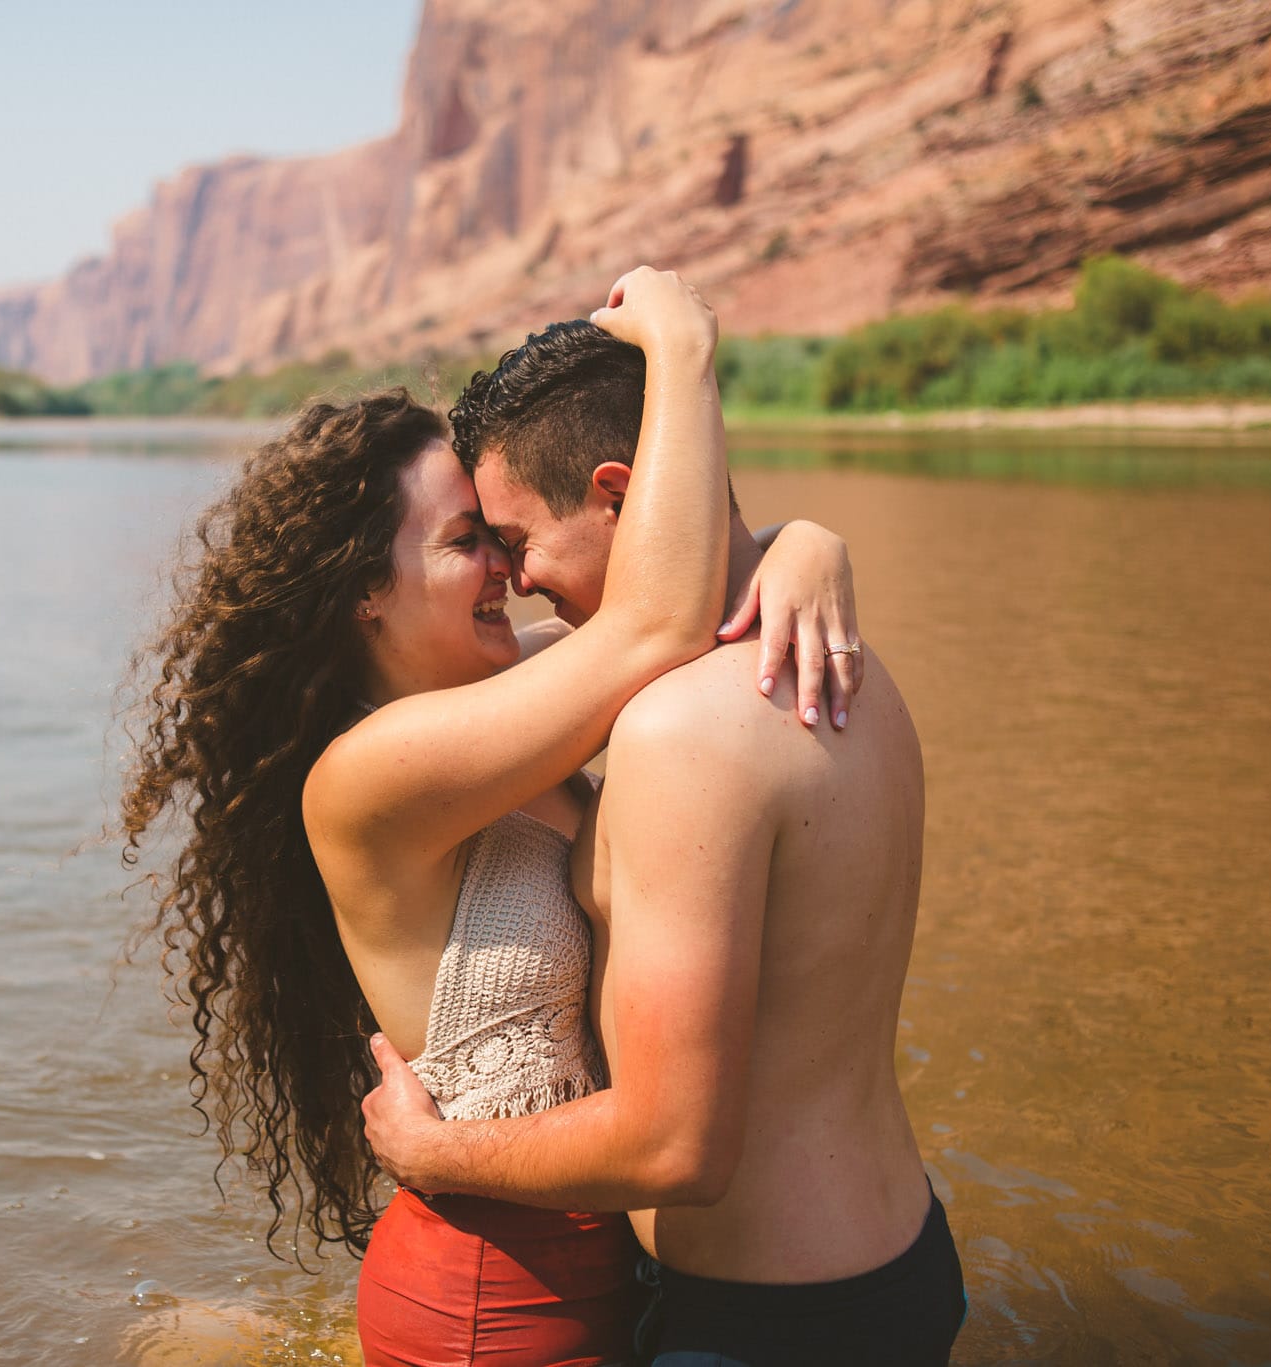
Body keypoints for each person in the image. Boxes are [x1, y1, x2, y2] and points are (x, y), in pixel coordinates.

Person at [119, 269, 861, 1365]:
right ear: (364, 591)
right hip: (493, 1300)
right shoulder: (368, 773)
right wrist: (685, 355)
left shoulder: (513, 695)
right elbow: (658, 626)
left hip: (603, 1262)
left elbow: (696, 605)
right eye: (470, 540)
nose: (512, 571)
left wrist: (808, 544)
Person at [360, 268, 967, 1366]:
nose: (517, 580)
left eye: (514, 539)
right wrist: (800, 537)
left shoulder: (677, 731)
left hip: (764, 1320)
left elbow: (676, 1141)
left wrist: (435, 1152)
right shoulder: (846, 662)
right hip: (903, 1256)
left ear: (614, 492)